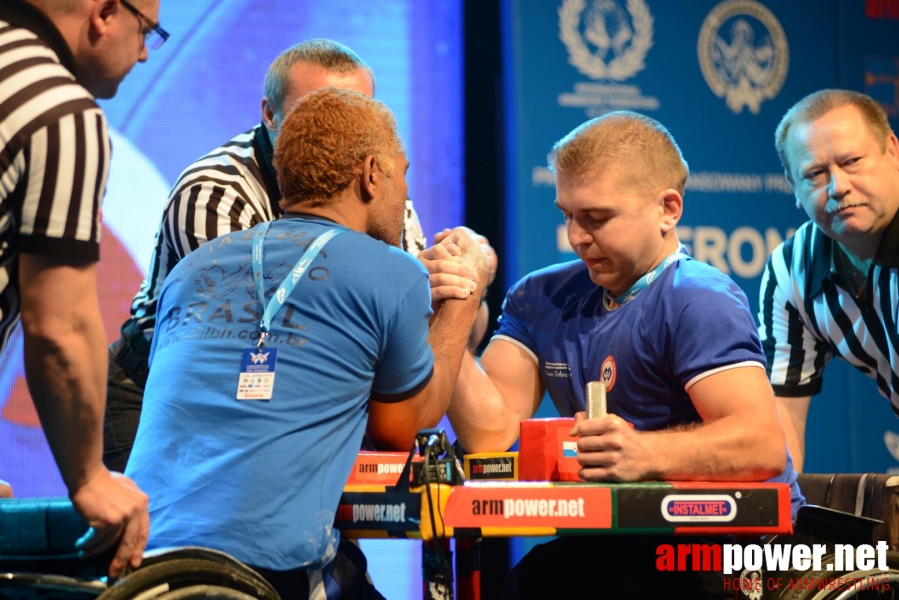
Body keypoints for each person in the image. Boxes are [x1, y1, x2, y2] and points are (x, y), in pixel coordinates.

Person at [125, 87, 488, 600]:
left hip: (140, 560)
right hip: (263, 575)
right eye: (402, 173)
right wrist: (466, 293)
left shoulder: (189, 271)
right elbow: (406, 428)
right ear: (370, 174)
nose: (405, 194)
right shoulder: (393, 273)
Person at [423, 111, 802, 598]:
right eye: (568, 215)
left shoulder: (698, 298)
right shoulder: (540, 297)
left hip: (727, 552)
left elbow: (762, 446)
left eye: (597, 218)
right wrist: (458, 300)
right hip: (619, 543)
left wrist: (645, 452)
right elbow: (491, 434)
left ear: (668, 209)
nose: (576, 237)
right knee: (532, 584)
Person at [105, 38, 496, 472]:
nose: (340, 130)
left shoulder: (381, 191)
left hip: (292, 402)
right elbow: (259, 335)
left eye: (358, 112)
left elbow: (407, 337)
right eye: (319, 110)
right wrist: (398, 288)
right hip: (161, 396)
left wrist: (453, 284)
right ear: (270, 115)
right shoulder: (216, 192)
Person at [0, 0, 161, 577]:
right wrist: (90, 478)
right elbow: (60, 327)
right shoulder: (61, 113)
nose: (144, 52)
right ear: (106, 13)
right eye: (147, 31)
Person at [759, 89, 899, 473]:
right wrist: (782, 523)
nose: (837, 187)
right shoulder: (791, 268)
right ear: (792, 184)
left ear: (893, 151)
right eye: (815, 174)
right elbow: (781, 421)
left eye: (852, 161)